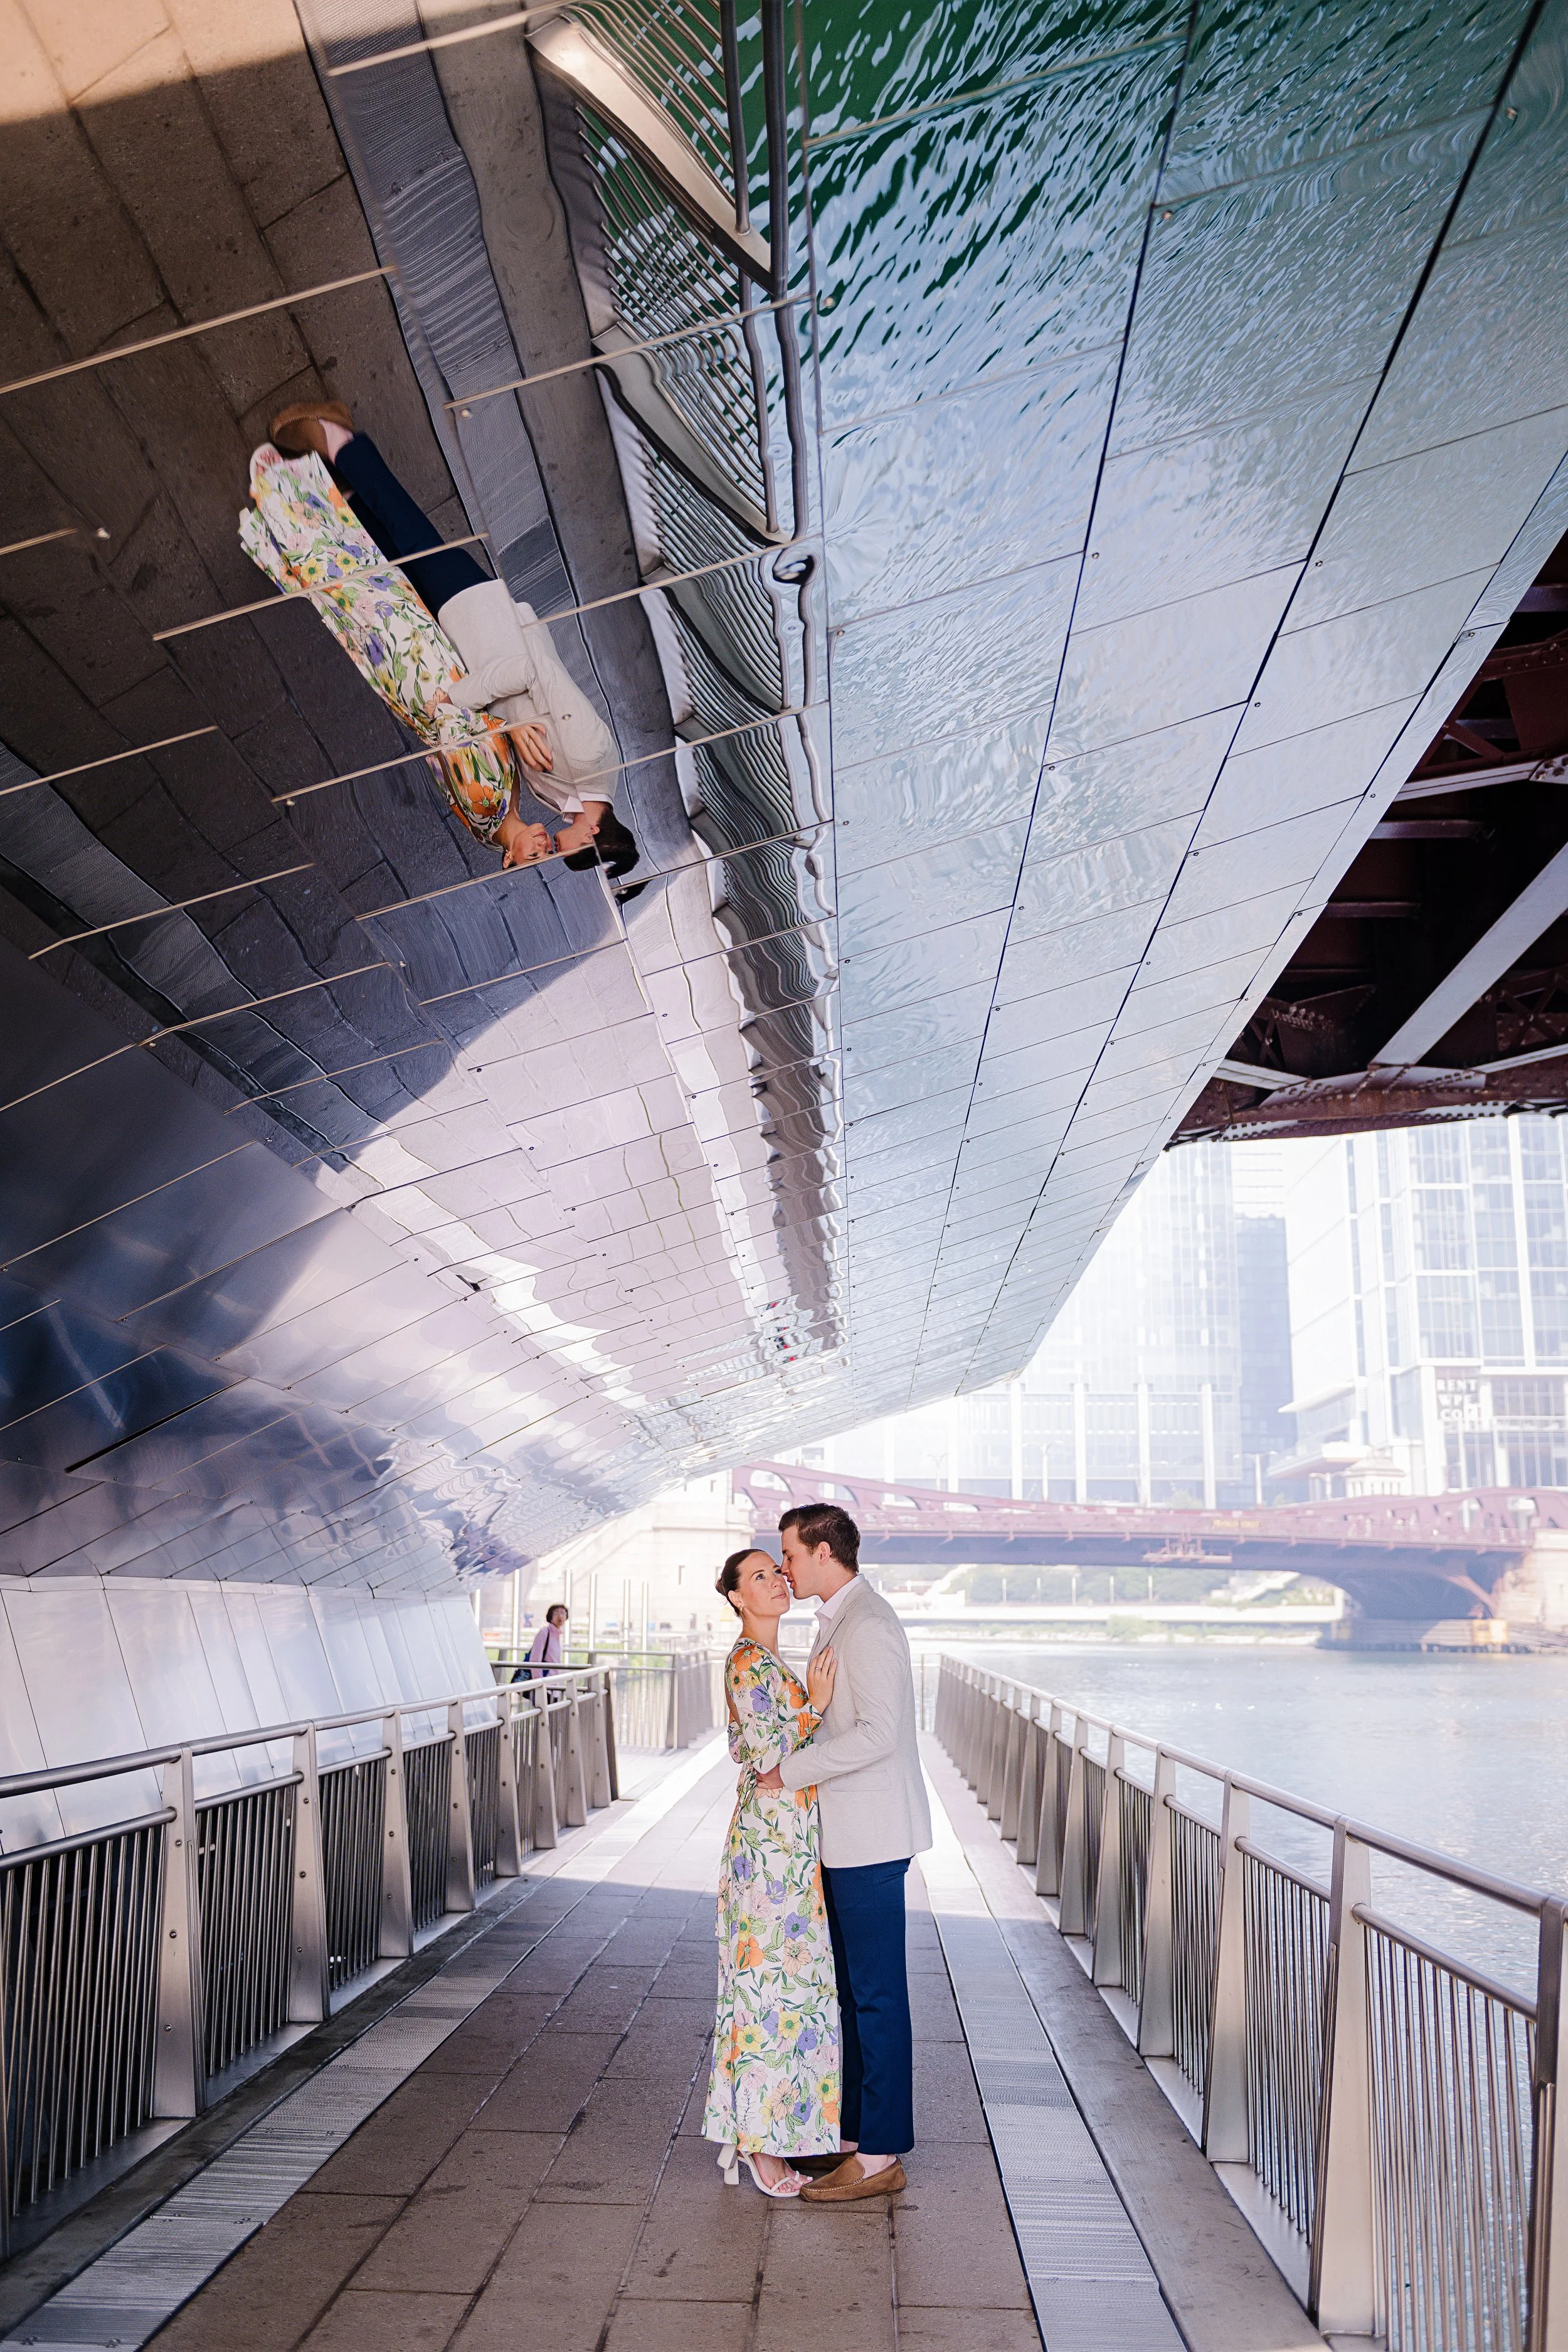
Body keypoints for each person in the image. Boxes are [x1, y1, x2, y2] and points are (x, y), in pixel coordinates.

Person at [259, 401, 639, 883]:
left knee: (393, 557)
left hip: (465, 649)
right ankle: (335, 436)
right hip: (485, 625)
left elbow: (513, 725)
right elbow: (531, 671)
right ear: (592, 837)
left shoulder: (566, 798)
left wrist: (501, 726)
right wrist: (457, 701)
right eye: (566, 852)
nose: (556, 848)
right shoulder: (590, 758)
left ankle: (337, 476)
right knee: (411, 532)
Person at [756, 1502, 931, 2204]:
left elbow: (878, 1736)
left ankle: (882, 2152)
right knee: (856, 1993)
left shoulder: (869, 1625)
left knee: (879, 1996)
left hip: (870, 1837)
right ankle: (857, 2135)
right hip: (849, 1835)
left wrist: (787, 1773)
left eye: (790, 1556)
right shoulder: (844, 1618)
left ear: (824, 1551)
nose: (785, 1569)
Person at [702, 1548, 841, 2197]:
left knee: (790, 1991)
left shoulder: (766, 1662)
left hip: (784, 1845)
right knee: (765, 1991)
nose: (776, 1580)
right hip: (768, 1850)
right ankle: (758, 2145)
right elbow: (765, 1754)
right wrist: (814, 1706)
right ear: (735, 1596)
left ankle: (790, 2127)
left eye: (776, 1571)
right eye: (758, 1576)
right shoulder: (746, 1663)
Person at [519, 1601, 568, 1680]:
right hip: (544, 1682)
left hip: (553, 1682)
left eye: (563, 1613)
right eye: (556, 1613)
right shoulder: (544, 1633)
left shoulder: (558, 1636)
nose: (560, 1616)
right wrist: (540, 1683)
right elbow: (535, 1659)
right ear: (550, 1616)